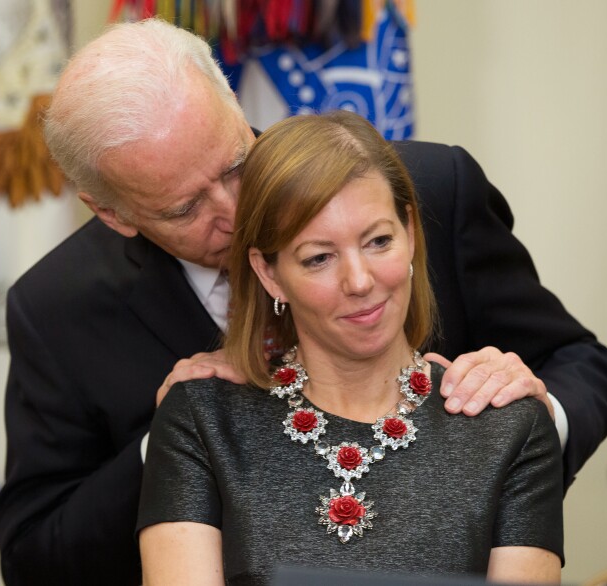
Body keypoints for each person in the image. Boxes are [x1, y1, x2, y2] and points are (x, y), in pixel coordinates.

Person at [0, 18, 607, 586]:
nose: (235, 214)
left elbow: (578, 360)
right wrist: (165, 449)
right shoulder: (57, 308)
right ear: (113, 213)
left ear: (234, 101)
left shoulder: (429, 192)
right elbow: (36, 557)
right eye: (185, 208)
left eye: (236, 166)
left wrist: (522, 421)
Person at [137, 110, 564, 584]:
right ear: (269, 273)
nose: (359, 281)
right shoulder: (201, 420)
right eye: (319, 257)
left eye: (378, 241)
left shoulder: (509, 427)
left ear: (412, 234)